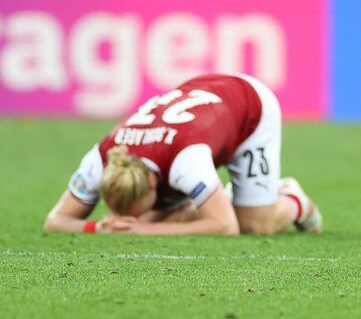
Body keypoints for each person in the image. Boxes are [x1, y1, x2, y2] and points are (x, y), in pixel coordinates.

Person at [44, 74, 322, 236]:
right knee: (159, 217)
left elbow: (227, 226)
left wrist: (144, 229)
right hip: (206, 104)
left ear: (154, 183)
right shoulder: (101, 158)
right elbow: (54, 221)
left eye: (133, 211)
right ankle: (214, 198)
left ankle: (294, 198)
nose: (123, 219)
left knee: (255, 224)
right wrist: (96, 227)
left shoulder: (186, 161)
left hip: (249, 108)